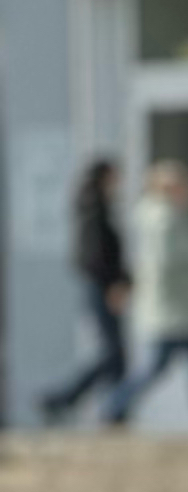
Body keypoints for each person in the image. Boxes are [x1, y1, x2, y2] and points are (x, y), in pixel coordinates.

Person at [102, 157, 188, 431]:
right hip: (169, 307)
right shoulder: (164, 219)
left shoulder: (174, 216)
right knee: (156, 368)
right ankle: (114, 406)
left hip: (178, 306)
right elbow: (167, 263)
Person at [32, 160, 128, 423]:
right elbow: (96, 257)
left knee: (116, 354)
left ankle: (115, 410)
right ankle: (63, 399)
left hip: (102, 286)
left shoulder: (95, 208)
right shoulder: (95, 211)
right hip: (102, 287)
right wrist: (114, 284)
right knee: (112, 353)